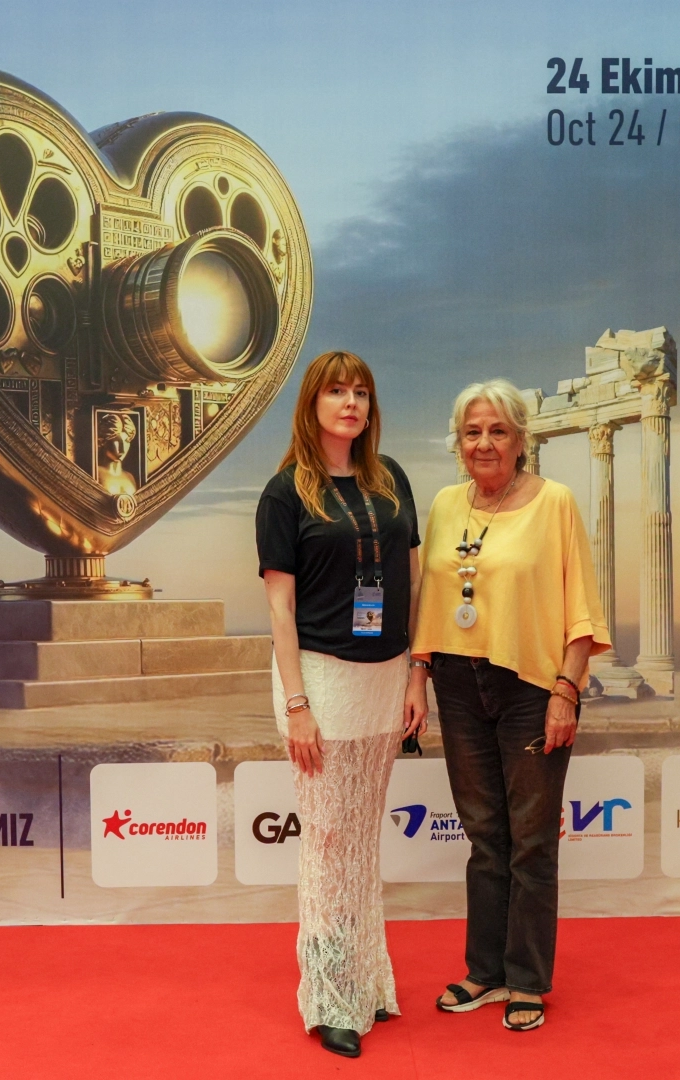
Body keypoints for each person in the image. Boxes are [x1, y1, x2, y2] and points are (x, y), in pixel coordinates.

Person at [409, 378, 608, 1032]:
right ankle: (484, 971)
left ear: (521, 439)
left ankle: (526, 979)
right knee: (484, 838)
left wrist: (566, 691)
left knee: (530, 842)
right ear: (458, 442)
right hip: (457, 684)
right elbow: (431, 601)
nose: (484, 443)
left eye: (498, 431)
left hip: (531, 687)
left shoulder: (555, 502)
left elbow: (581, 609)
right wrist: (418, 674)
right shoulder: (445, 504)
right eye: (472, 432)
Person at [255, 350, 426, 1058]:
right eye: (336, 391)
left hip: (385, 679)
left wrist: (417, 674)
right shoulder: (285, 493)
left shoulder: (392, 480)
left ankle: (367, 980)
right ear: (313, 403)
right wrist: (297, 704)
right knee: (327, 841)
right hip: (320, 681)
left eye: (361, 392)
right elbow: (279, 608)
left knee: (360, 840)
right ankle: (330, 998)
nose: (350, 403)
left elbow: (414, 582)